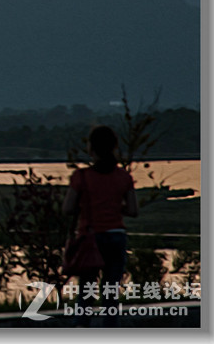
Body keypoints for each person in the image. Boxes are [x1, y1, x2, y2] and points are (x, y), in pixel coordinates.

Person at [63, 124, 139, 326]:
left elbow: (68, 208)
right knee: (111, 290)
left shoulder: (81, 177)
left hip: (90, 237)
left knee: (86, 289)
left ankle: (82, 327)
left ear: (91, 148)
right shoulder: (124, 177)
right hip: (116, 236)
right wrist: (113, 206)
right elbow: (132, 210)